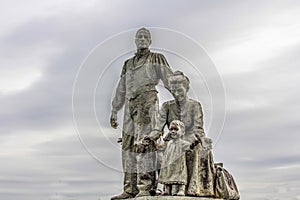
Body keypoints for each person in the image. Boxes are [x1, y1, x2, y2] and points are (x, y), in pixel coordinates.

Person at [110, 27, 173, 199]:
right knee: (128, 146)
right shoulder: (127, 64)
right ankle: (130, 188)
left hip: (148, 102)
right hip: (130, 106)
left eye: (146, 36)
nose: (142, 39)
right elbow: (121, 88)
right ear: (135, 40)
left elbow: (170, 80)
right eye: (139, 36)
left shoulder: (156, 58)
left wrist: (181, 102)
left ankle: (145, 186)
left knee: (144, 144)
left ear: (150, 41)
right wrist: (115, 109)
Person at [147, 70, 215, 197]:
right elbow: (158, 128)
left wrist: (201, 139)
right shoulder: (167, 106)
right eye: (174, 91)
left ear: (186, 88)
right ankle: (161, 186)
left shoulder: (195, 105)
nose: (176, 94)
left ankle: (190, 188)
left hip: (190, 137)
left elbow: (198, 127)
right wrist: (150, 138)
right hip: (171, 139)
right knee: (158, 151)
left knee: (194, 149)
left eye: (179, 90)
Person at [158, 120, 190, 196]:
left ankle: (181, 189)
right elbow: (161, 147)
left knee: (180, 175)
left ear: (182, 131)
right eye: (171, 129)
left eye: (176, 129)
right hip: (168, 163)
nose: (173, 131)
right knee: (167, 174)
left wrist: (193, 144)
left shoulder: (182, 143)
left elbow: (189, 146)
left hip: (178, 163)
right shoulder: (169, 142)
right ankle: (167, 189)